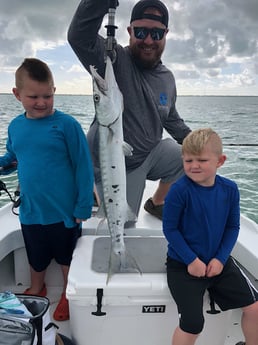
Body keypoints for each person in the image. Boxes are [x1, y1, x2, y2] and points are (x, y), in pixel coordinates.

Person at [68, 0, 191, 220]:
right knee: (120, 226)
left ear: (166, 34)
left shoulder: (167, 78)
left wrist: (200, 141)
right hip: (115, 164)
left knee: (190, 155)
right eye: (141, 31)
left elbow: (171, 119)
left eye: (156, 34)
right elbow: (79, 37)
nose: (148, 40)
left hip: (148, 156)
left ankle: (157, 203)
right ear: (129, 31)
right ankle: (94, 189)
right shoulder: (112, 59)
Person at [0, 58, 94, 321]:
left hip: (64, 211)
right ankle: (37, 286)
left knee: (66, 257)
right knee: (35, 254)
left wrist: (83, 205)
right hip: (31, 210)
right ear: (17, 94)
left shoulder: (67, 125)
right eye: (33, 96)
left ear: (54, 91)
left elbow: (84, 167)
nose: (41, 102)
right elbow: (13, 156)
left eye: (47, 95)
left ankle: (67, 291)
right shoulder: (16, 126)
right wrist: (3, 165)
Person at [163, 128, 258, 345]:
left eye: (202, 160)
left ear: (220, 161)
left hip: (219, 261)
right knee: (193, 323)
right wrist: (191, 260)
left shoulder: (230, 190)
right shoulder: (178, 190)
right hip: (183, 265)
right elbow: (170, 229)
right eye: (188, 160)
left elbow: (233, 227)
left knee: (255, 308)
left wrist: (220, 259)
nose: (194, 165)